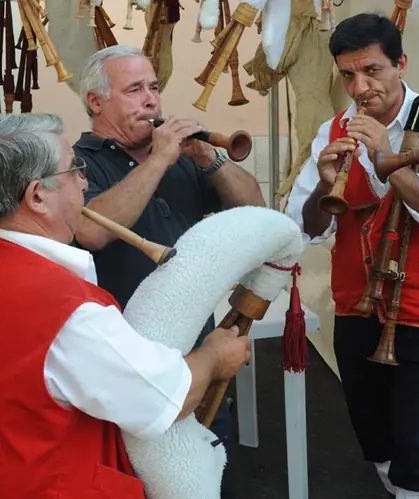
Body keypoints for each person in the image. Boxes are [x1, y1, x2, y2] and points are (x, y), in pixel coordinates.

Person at [0, 113, 250, 498]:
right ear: (37, 197)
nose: (84, 181)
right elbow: (167, 398)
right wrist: (215, 356)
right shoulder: (67, 309)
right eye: (74, 169)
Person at [287, 13, 419, 499]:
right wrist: (324, 187)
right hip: (356, 307)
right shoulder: (332, 130)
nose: (360, 88)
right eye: (348, 75)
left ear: (401, 64)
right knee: (376, 441)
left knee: (418, 450)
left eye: (372, 71)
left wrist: (386, 159)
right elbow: (305, 229)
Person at [71, 44, 265, 485]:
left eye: (154, 88)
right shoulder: (79, 163)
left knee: (207, 468)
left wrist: (209, 159)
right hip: (124, 358)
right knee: (138, 477)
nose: (151, 101)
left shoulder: (184, 159)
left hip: (196, 349)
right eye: (135, 90)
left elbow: (256, 211)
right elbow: (93, 231)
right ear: (96, 101)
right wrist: (160, 158)